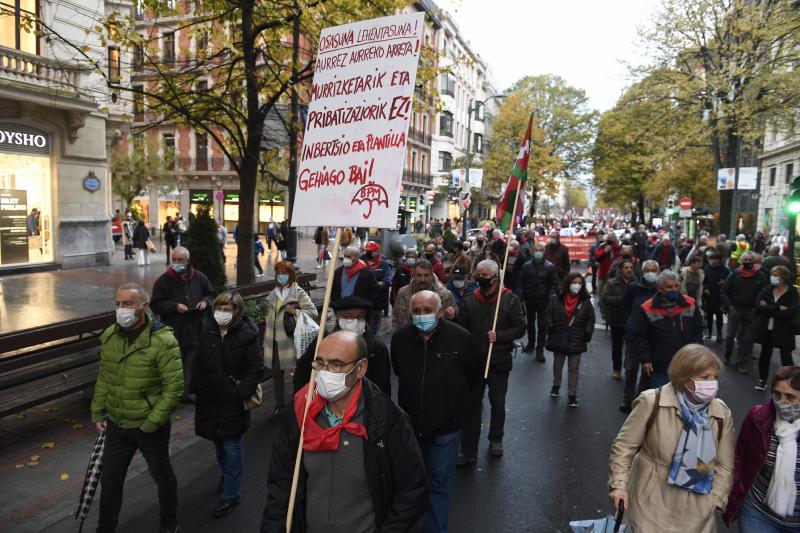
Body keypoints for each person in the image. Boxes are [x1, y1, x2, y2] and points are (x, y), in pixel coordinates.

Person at [262, 331, 429, 533]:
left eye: (336, 365)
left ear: (361, 369)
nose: (324, 372)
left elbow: (411, 492)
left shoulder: (387, 421)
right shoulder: (299, 415)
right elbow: (280, 488)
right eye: (320, 363)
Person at [608, 344, 735, 533]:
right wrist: (619, 485)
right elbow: (624, 446)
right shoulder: (652, 402)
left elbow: (725, 464)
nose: (712, 384)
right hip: (650, 498)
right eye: (705, 377)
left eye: (715, 378)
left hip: (696, 507)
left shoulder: (721, 413)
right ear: (684, 377)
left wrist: (715, 499)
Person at [91, 283, 183, 533]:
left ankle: (168, 523)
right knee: (109, 483)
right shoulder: (110, 335)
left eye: (128, 304)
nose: (121, 309)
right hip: (117, 424)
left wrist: (152, 422)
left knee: (162, 477)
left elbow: (174, 388)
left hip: (148, 426)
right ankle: (105, 528)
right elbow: (105, 376)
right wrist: (98, 411)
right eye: (118, 304)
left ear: (144, 306)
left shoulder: (163, 340)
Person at [391, 290, 480, 533]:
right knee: (411, 484)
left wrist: (455, 407)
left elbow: (473, 375)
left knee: (439, 484)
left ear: (439, 312)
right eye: (417, 310)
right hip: (411, 427)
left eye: (427, 310)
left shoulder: (460, 338)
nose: (422, 315)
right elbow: (399, 370)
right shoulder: (400, 339)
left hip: (445, 429)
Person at [192, 292, 263, 517]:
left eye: (227, 309)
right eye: (219, 308)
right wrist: (196, 385)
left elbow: (256, 368)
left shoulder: (247, 334)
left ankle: (232, 493)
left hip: (232, 398)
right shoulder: (206, 329)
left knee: (232, 446)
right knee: (218, 442)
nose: (222, 313)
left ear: (237, 311)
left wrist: (240, 392)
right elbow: (198, 359)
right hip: (209, 397)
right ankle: (227, 475)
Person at [455, 260, 525, 463]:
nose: (481, 280)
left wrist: (500, 336)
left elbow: (520, 328)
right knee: (471, 406)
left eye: (485, 277)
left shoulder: (510, 300)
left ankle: (496, 439)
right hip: (475, 363)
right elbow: (461, 328)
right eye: (479, 276)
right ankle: (468, 450)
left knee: (498, 403)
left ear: (495, 279)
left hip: (498, 361)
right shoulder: (469, 301)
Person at [723, 366, 800, 531]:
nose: (782, 402)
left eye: (790, 397)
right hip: (757, 513)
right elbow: (740, 456)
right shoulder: (758, 417)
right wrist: (735, 489)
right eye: (777, 394)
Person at [151, 246, 216, 398]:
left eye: (180, 260)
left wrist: (206, 302)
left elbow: (211, 294)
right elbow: (155, 305)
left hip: (196, 329)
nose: (176, 263)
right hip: (174, 331)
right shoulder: (163, 280)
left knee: (193, 363)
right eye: (174, 259)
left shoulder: (199, 277)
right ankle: (175, 394)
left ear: (187, 261)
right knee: (175, 364)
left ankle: (188, 391)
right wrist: (174, 306)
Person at [294, 296, 392, 396]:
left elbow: (383, 388)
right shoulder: (323, 342)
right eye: (348, 316)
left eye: (359, 316)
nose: (354, 321)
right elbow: (303, 371)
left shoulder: (376, 349)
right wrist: (301, 398)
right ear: (337, 317)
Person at [628, 270, 704, 389]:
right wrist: (646, 359)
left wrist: (695, 352)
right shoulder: (648, 308)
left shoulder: (690, 303)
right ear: (660, 289)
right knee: (660, 402)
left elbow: (698, 329)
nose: (674, 289)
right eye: (669, 287)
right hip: (660, 366)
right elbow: (642, 336)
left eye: (676, 286)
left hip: (686, 363)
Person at [263, 261, 318, 416]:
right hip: (274, 341)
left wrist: (295, 312)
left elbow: (313, 312)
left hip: (290, 341)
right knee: (276, 374)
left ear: (291, 274)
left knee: (297, 374)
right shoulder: (275, 292)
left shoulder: (297, 292)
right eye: (279, 272)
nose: (281, 276)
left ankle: (299, 404)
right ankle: (279, 404)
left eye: (284, 272)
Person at [545, 272, 595, 407]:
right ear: (568, 283)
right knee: (558, 364)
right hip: (559, 335)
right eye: (574, 282)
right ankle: (556, 385)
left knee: (574, 368)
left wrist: (587, 334)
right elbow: (548, 313)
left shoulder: (585, 301)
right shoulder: (557, 298)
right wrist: (551, 328)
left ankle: (572, 395)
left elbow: (591, 319)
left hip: (577, 338)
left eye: (579, 283)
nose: (577, 285)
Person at [619, 259, 660, 412]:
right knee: (631, 369)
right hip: (634, 334)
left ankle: (639, 399)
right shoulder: (633, 288)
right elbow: (626, 307)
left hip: (654, 336)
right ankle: (627, 398)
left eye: (653, 270)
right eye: (647, 270)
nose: (650, 273)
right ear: (642, 272)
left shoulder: (661, 289)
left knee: (647, 370)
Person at [722, 251, 770, 374]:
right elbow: (724, 290)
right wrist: (729, 306)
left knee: (745, 339)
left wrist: (760, 304)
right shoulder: (735, 273)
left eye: (750, 260)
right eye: (746, 260)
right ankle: (727, 355)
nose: (748, 262)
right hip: (735, 309)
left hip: (751, 311)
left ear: (754, 262)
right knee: (729, 336)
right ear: (742, 261)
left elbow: (766, 291)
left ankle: (740, 362)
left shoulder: (761, 276)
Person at [753, 266, 799, 390]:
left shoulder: (792, 292)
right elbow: (758, 306)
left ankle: (791, 382)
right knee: (765, 355)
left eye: (776, 275)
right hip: (767, 328)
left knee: (786, 357)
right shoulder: (767, 289)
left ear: (784, 277)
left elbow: (791, 311)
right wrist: (777, 308)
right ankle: (762, 380)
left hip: (785, 329)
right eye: (772, 274)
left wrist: (768, 308)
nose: (773, 277)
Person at [517, 241, 560, 361]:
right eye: (536, 250)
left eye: (541, 250)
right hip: (529, 300)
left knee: (542, 326)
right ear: (532, 251)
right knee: (530, 324)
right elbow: (521, 283)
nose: (538, 252)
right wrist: (520, 298)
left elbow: (554, 284)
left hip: (544, 301)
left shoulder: (550, 267)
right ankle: (531, 344)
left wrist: (550, 297)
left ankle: (539, 350)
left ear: (544, 252)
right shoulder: (526, 266)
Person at [392, 259, 457, 330]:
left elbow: (455, 319)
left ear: (431, 275)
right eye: (419, 275)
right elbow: (395, 318)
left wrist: (450, 315)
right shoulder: (403, 293)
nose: (423, 279)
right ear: (413, 275)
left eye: (426, 275)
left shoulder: (445, 295)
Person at [601, 259, 637, 381]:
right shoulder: (612, 283)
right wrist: (621, 299)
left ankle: (628, 368)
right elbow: (605, 299)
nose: (629, 270)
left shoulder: (636, 283)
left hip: (632, 320)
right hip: (617, 319)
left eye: (631, 267)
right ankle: (616, 368)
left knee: (631, 346)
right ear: (621, 269)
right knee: (617, 346)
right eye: (626, 267)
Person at [702, 252, 730, 343]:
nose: (713, 261)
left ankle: (719, 334)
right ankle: (709, 332)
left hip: (719, 297)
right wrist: (705, 288)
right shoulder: (706, 269)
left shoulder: (725, 270)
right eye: (711, 259)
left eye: (715, 259)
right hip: (709, 296)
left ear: (719, 260)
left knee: (719, 316)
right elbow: (703, 282)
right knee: (709, 316)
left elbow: (729, 282)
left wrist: (724, 282)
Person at [361, 241, 393, 319]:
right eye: (367, 251)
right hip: (363, 299)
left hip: (378, 301)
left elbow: (387, 281)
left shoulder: (384, 264)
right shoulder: (360, 260)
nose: (368, 253)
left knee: (375, 324)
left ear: (377, 251)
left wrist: (373, 284)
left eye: (371, 251)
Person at [595, 232, 622, 321]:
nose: (610, 240)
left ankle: (612, 315)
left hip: (614, 277)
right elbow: (597, 257)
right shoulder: (602, 246)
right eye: (608, 239)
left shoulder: (619, 248)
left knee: (613, 296)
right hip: (603, 276)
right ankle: (604, 316)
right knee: (602, 296)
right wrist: (605, 251)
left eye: (612, 238)